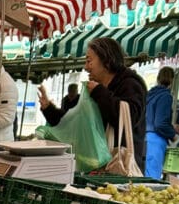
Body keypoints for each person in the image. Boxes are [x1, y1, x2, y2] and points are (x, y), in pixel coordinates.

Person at [38, 37, 147, 171]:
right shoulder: (97, 89)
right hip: (99, 168)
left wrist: (99, 92)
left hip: (121, 169)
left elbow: (129, 118)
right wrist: (49, 109)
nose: (86, 67)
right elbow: (75, 122)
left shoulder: (130, 84)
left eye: (89, 61)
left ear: (106, 61)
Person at [145, 67, 179, 179]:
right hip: (156, 140)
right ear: (172, 80)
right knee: (152, 178)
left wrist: (171, 127)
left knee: (143, 175)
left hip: (144, 138)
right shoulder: (166, 96)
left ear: (158, 78)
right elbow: (160, 124)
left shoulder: (149, 94)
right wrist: (173, 135)